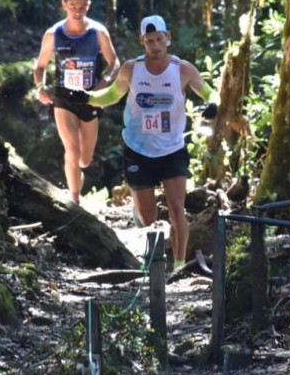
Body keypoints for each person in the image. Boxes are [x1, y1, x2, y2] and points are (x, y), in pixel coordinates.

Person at [87, 15, 218, 269]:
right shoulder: (130, 69)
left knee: (177, 207)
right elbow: (111, 96)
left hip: (172, 149)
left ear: (168, 38)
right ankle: (140, 213)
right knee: (149, 218)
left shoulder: (182, 69)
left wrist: (213, 104)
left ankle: (179, 264)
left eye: (159, 39)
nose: (155, 46)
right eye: (149, 41)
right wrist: (86, 98)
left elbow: (209, 92)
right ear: (142, 42)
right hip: (138, 150)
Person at [34, 0, 120, 204]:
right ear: (64, 5)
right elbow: (40, 66)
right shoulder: (53, 34)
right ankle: (74, 200)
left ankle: (75, 182)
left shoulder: (98, 32)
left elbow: (114, 62)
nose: (77, 11)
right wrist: (40, 88)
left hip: (91, 98)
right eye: (72, 6)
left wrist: (104, 83)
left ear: (88, 6)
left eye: (81, 7)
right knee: (71, 149)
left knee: (84, 159)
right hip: (64, 98)